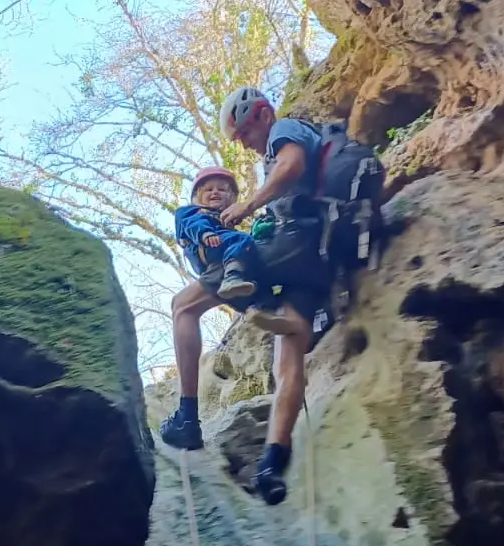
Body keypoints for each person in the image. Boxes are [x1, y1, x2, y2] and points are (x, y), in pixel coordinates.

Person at [161, 86, 383, 506]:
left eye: (243, 132)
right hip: (318, 264)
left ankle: (187, 417)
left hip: (296, 241)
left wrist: (248, 207)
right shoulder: (299, 142)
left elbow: (291, 166)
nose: (244, 144)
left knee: (183, 306)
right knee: (288, 357)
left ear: (261, 115)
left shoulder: (285, 130)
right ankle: (271, 464)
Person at [174, 167, 258, 301]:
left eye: (222, 189)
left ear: (231, 197)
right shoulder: (193, 211)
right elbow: (193, 223)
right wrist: (205, 234)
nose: (215, 192)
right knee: (241, 239)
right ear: (198, 195)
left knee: (247, 245)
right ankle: (232, 276)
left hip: (218, 247)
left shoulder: (222, 218)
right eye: (209, 189)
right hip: (204, 246)